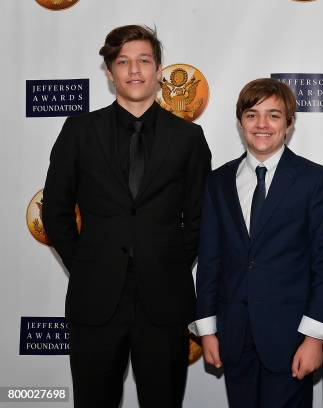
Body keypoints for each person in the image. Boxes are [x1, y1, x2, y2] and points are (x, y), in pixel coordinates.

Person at [42, 25, 211, 407]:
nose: (134, 70)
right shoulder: (79, 131)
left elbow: (200, 219)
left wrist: (165, 261)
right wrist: (85, 263)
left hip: (164, 300)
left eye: (144, 61)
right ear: (109, 72)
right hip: (95, 298)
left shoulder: (188, 138)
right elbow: (55, 210)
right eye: (123, 62)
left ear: (158, 69)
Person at [190, 78, 323, 408]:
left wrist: (314, 337)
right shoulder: (218, 182)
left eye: (273, 115)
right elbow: (210, 260)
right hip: (235, 336)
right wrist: (208, 331)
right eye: (252, 114)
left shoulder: (313, 179)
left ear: (289, 123)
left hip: (290, 339)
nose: (262, 125)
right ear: (240, 122)